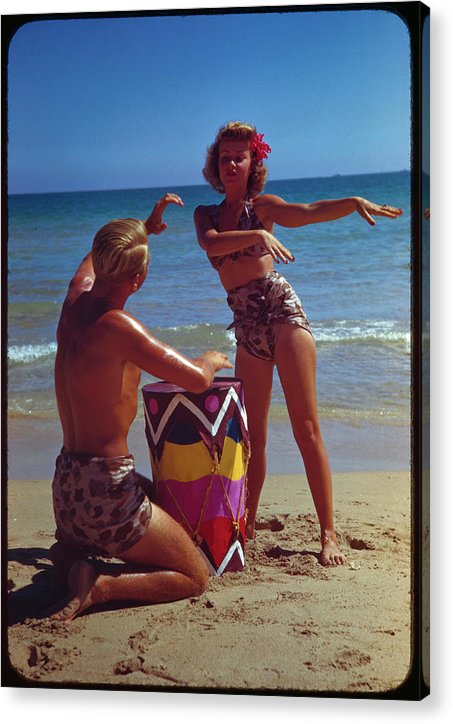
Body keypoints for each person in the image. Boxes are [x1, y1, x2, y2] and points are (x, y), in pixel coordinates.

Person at [194, 121, 403, 566]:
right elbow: (212, 245)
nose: (231, 163)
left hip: (282, 315)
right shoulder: (205, 216)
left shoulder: (263, 206)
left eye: (240, 157)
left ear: (253, 164)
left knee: (306, 429)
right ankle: (245, 524)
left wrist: (350, 202)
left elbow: (308, 210)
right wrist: (257, 236)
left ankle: (328, 533)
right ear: (216, 164)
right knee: (253, 438)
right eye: (225, 157)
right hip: (247, 326)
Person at [48, 192, 232, 621]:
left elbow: (90, 262)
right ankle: (100, 586)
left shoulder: (74, 300)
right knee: (193, 574)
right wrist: (211, 359)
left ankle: (72, 554)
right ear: (139, 278)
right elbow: (197, 380)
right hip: (107, 493)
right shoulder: (121, 328)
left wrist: (145, 228)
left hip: (67, 490)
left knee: (160, 497)